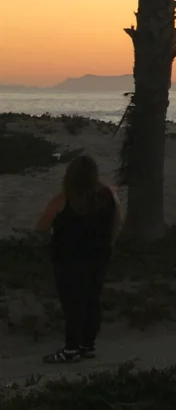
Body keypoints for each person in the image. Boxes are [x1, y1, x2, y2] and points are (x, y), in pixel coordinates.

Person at [36, 154, 122, 363]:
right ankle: (88, 345)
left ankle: (71, 349)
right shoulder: (108, 195)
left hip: (68, 259)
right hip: (98, 256)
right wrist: (107, 245)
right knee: (92, 300)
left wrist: (51, 240)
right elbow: (117, 224)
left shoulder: (64, 198)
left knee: (73, 305)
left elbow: (42, 226)